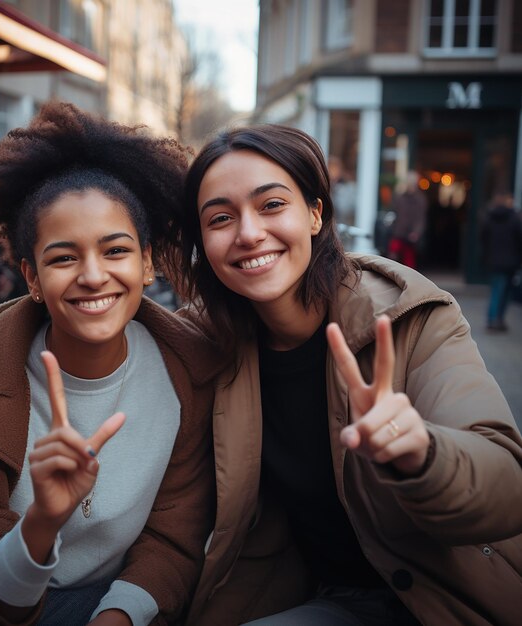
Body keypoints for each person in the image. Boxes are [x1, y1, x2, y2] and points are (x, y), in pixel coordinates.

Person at [168, 124, 522, 626]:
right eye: (221, 218)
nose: (248, 233)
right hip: (322, 597)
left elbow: (508, 484)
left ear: (315, 214)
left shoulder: (408, 315)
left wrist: (421, 451)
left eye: (272, 205)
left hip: (452, 597)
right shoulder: (204, 344)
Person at [0, 102, 222, 626]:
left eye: (115, 251)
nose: (93, 276)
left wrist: (117, 616)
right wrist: (41, 524)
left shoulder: (191, 373)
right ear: (31, 277)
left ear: (146, 263)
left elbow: (174, 537)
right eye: (63, 257)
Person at [481, 191, 522, 331]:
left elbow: (483, 238)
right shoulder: (514, 218)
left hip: (494, 260)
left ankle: (492, 319)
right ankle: (498, 319)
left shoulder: (489, 217)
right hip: (511, 261)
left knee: (496, 290)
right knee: (505, 293)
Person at [387, 170, 427, 269]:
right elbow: (394, 212)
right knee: (392, 257)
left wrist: (416, 232)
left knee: (409, 261)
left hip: (410, 235)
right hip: (398, 232)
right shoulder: (399, 197)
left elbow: (420, 218)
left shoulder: (420, 199)